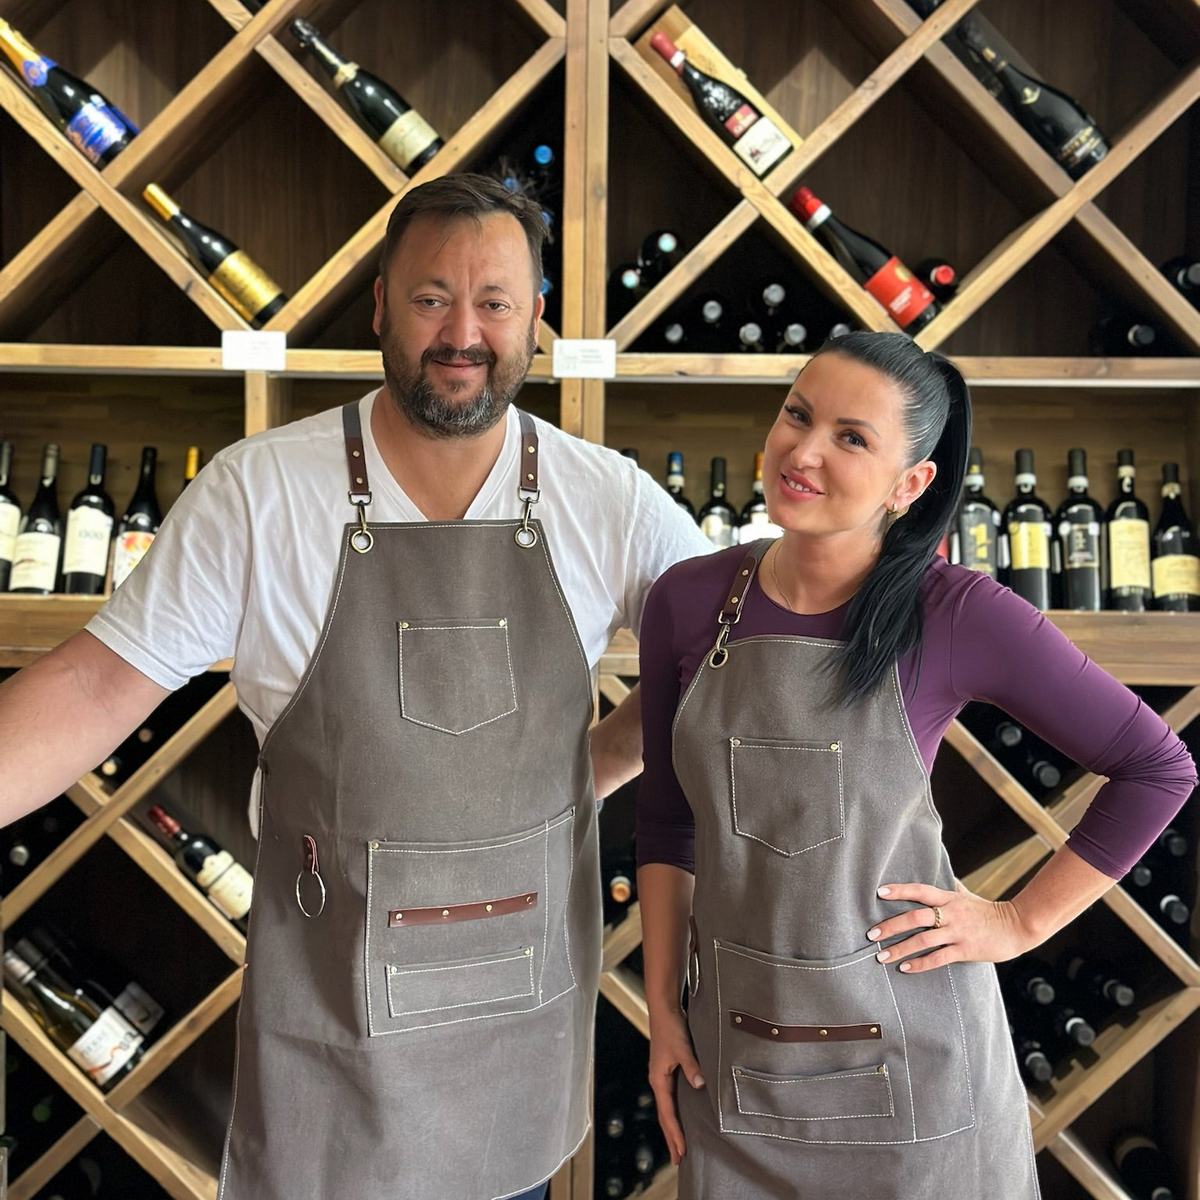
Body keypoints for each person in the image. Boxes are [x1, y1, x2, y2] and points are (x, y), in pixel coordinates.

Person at [0, 173, 712, 1200]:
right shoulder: (262, 491)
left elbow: (724, 663)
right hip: (334, 1026)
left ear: (537, 320)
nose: (462, 334)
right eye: (431, 299)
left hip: (516, 1019)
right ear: (378, 305)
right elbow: (91, 690)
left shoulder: (606, 496)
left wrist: (590, 768)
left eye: (495, 303)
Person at [635, 332, 1196, 1199]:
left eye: (852, 438)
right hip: (735, 1057)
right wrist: (663, 1007)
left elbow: (1157, 766)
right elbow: (671, 823)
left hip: (915, 1074)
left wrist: (1018, 924)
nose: (804, 450)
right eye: (798, 414)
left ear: (912, 484)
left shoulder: (955, 612)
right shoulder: (689, 597)